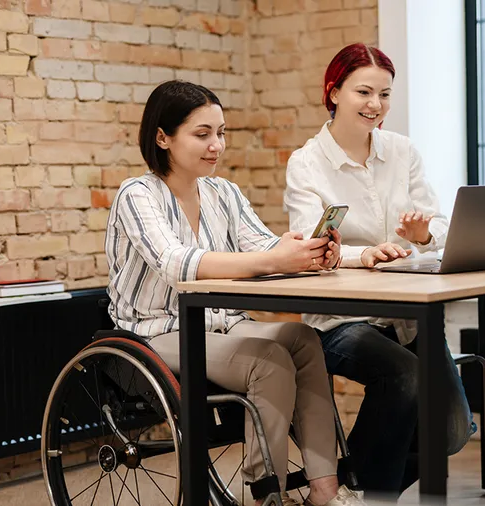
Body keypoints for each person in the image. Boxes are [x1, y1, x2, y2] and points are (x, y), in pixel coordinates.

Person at [106, 80, 363, 506]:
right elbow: (178, 263)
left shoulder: (224, 192)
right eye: (202, 134)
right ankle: (268, 495)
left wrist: (311, 252)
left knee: (303, 339)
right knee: (269, 362)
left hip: (221, 326)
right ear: (162, 137)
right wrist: (275, 261)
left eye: (221, 133)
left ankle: (325, 491)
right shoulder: (137, 195)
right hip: (156, 334)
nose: (216, 145)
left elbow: (263, 246)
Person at [284, 43, 475, 498]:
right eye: (364, 92)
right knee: (405, 378)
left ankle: (351, 479)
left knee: (450, 432)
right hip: (341, 321)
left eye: (385, 94)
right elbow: (309, 245)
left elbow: (441, 224)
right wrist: (360, 255)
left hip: (407, 316)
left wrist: (424, 236)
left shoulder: (401, 151)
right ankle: (372, 496)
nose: (376, 105)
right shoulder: (307, 163)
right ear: (333, 92)